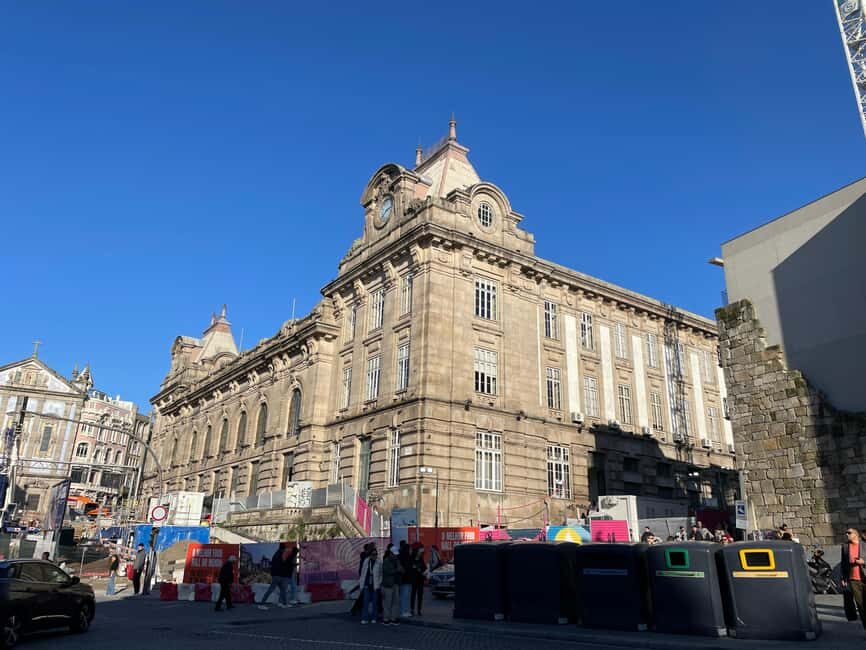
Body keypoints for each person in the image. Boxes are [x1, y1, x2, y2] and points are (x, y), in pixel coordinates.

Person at [842, 528, 866, 631]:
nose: (847, 534)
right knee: (861, 606)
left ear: (855, 534)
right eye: (846, 533)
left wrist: (864, 562)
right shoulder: (845, 547)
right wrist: (843, 577)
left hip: (865, 577)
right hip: (853, 580)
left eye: (849, 533)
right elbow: (843, 563)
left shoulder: (864, 544)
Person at [258, 544, 288, 609]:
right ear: (283, 549)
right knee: (273, 590)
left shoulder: (276, 554)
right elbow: (280, 565)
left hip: (277, 575)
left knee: (282, 590)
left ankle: (283, 603)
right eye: (285, 549)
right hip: (278, 575)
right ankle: (261, 604)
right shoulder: (279, 555)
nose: (285, 550)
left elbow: (274, 565)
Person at [358, 546, 382, 624]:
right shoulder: (366, 561)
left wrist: (379, 583)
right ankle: (365, 618)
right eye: (373, 554)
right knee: (365, 602)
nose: (375, 556)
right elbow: (363, 573)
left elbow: (381, 574)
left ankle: (374, 617)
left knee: (375, 603)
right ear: (370, 555)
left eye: (376, 554)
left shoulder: (379, 562)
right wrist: (361, 585)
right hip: (367, 585)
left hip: (375, 585)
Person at [381, 545, 401, 625]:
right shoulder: (386, 561)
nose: (395, 556)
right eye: (394, 554)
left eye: (396, 555)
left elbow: (401, 570)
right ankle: (386, 619)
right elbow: (387, 572)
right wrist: (397, 570)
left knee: (395, 602)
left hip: (395, 583)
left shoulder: (397, 561)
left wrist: (399, 569)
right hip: (388, 584)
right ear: (390, 554)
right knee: (387, 602)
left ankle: (393, 618)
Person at [410, 544, 426, 617]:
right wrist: (415, 568)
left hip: (420, 580)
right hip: (414, 580)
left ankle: (419, 610)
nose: (421, 552)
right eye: (420, 550)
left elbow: (424, 568)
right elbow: (410, 568)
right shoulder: (412, 559)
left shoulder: (421, 559)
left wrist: (423, 571)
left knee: (420, 595)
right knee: (413, 595)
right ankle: (412, 609)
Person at [398, 541, 413, 617]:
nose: (411, 551)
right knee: (404, 596)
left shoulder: (407, 557)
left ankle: (406, 610)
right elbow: (406, 569)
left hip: (407, 579)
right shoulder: (405, 558)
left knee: (406, 596)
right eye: (410, 549)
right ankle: (403, 611)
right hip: (405, 579)